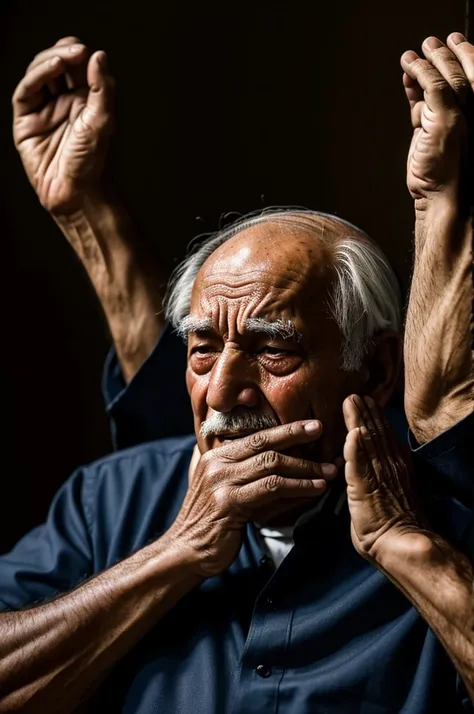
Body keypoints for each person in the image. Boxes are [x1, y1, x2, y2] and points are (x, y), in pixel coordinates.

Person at [2, 31, 472, 714]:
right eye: (200, 348)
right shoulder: (111, 499)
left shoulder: (442, 514)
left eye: (273, 348)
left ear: (372, 373)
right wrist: (177, 554)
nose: (221, 391)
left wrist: (407, 551)